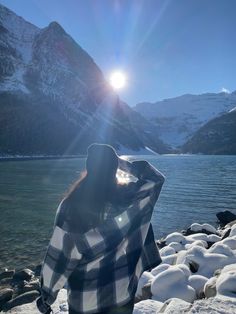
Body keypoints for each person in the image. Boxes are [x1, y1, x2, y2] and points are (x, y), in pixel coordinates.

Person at [37, 143, 165, 314]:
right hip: (122, 294)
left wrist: (46, 296)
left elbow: (60, 258)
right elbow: (156, 178)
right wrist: (120, 162)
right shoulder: (132, 197)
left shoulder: (70, 207)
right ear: (114, 168)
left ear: (89, 167)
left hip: (85, 301)